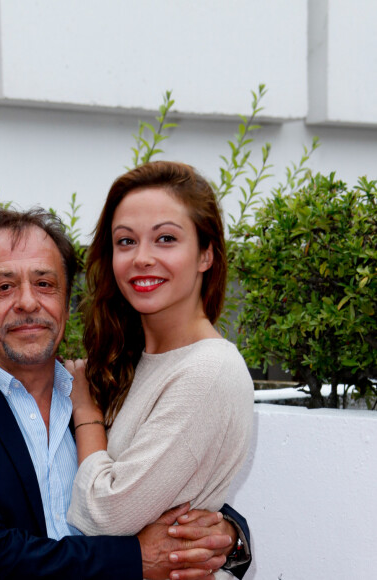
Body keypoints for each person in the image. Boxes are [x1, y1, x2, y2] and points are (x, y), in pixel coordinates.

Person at [0, 205, 245, 580]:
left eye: (45, 284)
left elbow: (161, 484)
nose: (27, 302)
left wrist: (228, 535)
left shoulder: (102, 395)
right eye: (4, 287)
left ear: (66, 300)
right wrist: (137, 558)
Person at [64, 161, 254, 579]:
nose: (142, 258)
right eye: (126, 241)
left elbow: (106, 515)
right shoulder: (128, 362)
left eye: (166, 238)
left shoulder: (208, 370)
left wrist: (88, 415)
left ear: (206, 253)